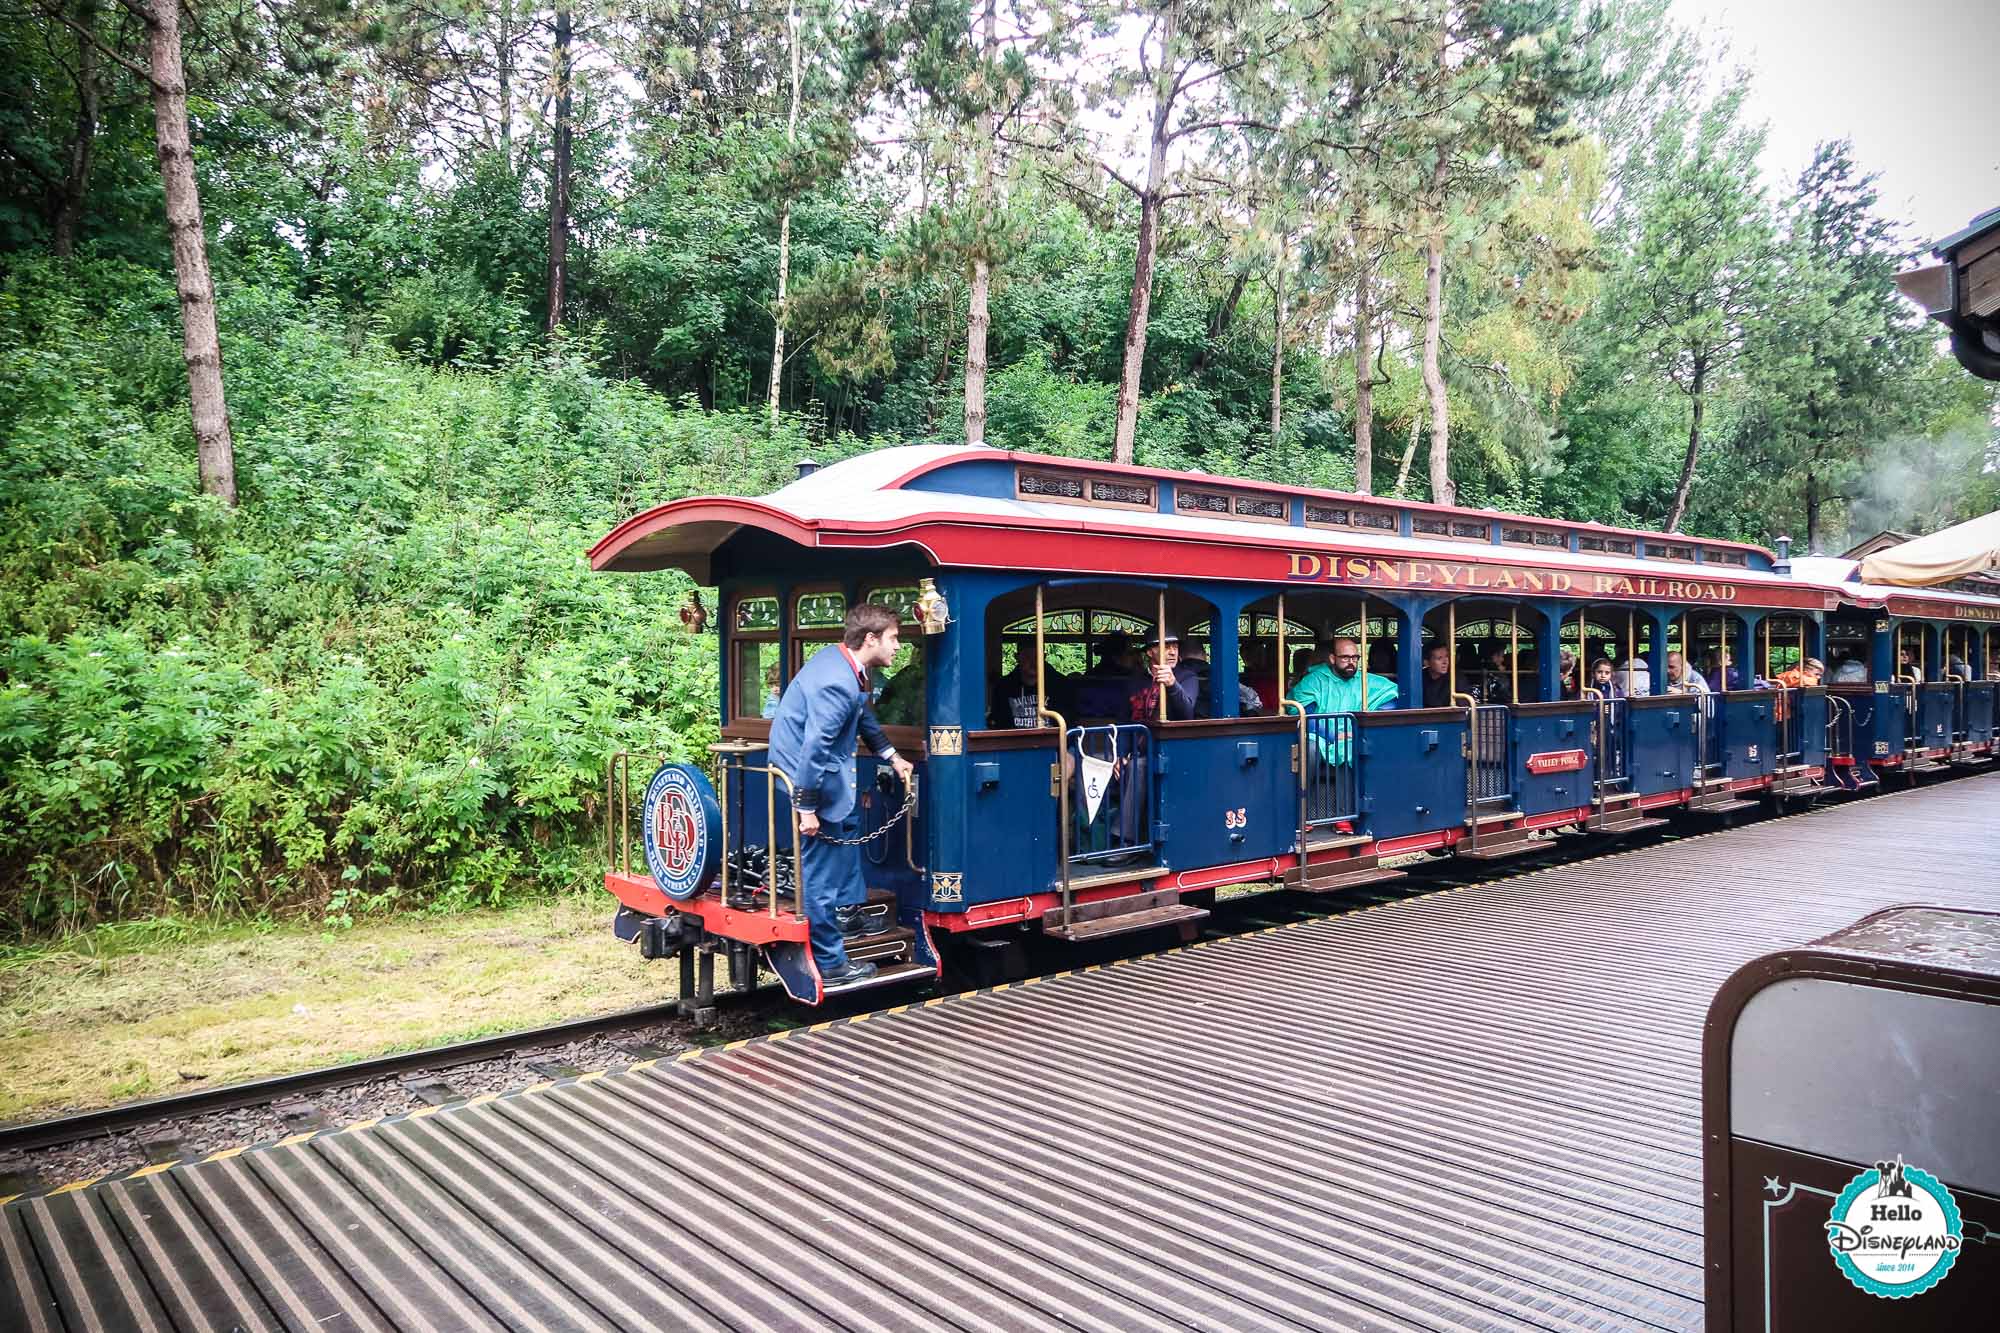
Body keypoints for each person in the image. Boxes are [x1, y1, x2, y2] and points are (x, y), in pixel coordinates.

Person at [767, 603, 916, 986]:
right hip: (810, 777)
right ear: (871, 639)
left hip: (823, 778)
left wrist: (892, 755)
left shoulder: (843, 665)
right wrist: (807, 807)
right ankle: (831, 964)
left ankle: (848, 917)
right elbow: (815, 749)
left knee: (846, 845)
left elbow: (862, 714)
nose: (898, 646)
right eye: (894, 638)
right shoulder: (838, 681)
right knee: (819, 872)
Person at [1288, 637, 1398, 763]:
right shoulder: (1313, 681)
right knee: (1310, 748)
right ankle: (1306, 784)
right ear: (1332, 659)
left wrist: (1361, 731)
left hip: (1358, 736)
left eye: (1355, 658)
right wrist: (1334, 735)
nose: (1351, 662)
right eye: (1345, 658)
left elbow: (1389, 702)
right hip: (1322, 738)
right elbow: (1306, 716)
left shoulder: (1369, 681)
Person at [1125, 632, 1199, 722]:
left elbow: (1187, 715)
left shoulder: (1187, 677)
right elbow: (1124, 718)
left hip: (1171, 735)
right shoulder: (1136, 680)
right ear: (1150, 652)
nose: (1173, 652)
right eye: (1166, 647)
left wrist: (1173, 685)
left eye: (1176, 647)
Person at [989, 651, 1072, 728]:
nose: (1033, 662)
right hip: (1014, 740)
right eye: (1027, 657)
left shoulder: (1059, 685)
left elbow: (1068, 719)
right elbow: (999, 721)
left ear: (1044, 657)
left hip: (1050, 740)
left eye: (1037, 656)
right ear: (1017, 658)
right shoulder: (1003, 687)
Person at [1421, 642, 1454, 709]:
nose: (1445, 662)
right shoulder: (1420, 678)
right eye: (1439, 658)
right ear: (1427, 663)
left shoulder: (1455, 677)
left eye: (1446, 657)